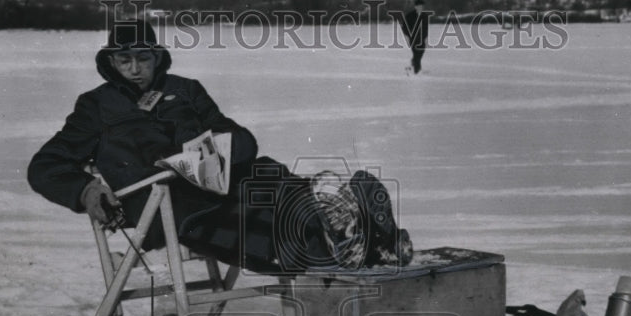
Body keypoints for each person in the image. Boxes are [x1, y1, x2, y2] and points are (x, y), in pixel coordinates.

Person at [27, 19, 412, 274]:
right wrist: (87, 190)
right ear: (110, 62)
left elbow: (237, 137)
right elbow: (45, 165)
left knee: (264, 170)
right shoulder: (96, 105)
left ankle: (352, 226)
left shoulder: (185, 90)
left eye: (142, 58)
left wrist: (219, 151)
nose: (134, 68)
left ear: (157, 57)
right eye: (124, 59)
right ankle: (337, 240)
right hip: (161, 206)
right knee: (250, 217)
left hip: (213, 183)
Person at [400, 0, 430, 75]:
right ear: (415, 7)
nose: (421, 8)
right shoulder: (409, 16)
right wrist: (408, 36)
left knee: (420, 53)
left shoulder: (425, 16)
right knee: (417, 54)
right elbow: (404, 27)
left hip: (422, 38)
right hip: (413, 38)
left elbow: (426, 28)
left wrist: (426, 38)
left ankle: (413, 64)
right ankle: (417, 71)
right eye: (419, 6)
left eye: (422, 6)